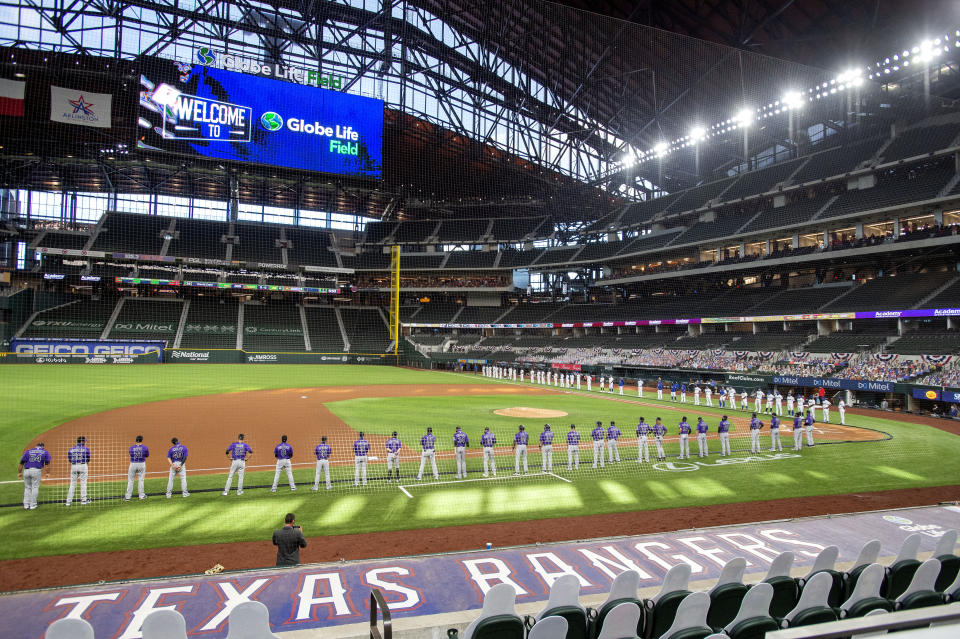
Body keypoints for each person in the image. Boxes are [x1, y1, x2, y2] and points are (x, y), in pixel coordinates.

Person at [18, 442, 50, 510]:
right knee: (35, 487)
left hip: (26, 471)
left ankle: (26, 505)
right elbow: (47, 464)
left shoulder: (28, 452)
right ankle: (33, 505)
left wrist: (19, 473)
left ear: (36, 446)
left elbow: (21, 463)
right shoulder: (45, 452)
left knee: (27, 488)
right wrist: (47, 473)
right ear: (43, 447)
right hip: (36, 471)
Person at [66, 435, 91, 507]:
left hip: (73, 466)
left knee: (72, 484)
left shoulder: (71, 449)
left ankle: (68, 501)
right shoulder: (86, 449)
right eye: (84, 441)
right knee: (83, 483)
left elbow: (70, 459)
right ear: (82, 441)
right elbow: (88, 458)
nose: (85, 442)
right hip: (83, 466)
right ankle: (83, 500)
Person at [125, 435, 149, 501]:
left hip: (133, 464)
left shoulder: (131, 448)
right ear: (142, 440)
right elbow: (147, 455)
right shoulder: (145, 448)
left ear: (136, 440)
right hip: (141, 464)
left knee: (130, 480)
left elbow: (130, 454)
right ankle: (141, 496)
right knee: (141, 480)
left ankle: (127, 497)